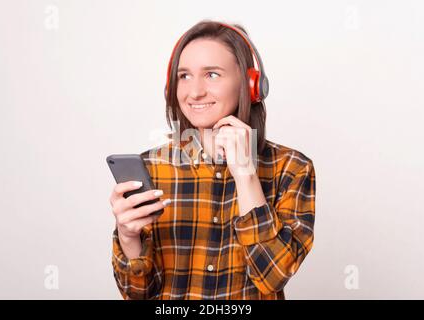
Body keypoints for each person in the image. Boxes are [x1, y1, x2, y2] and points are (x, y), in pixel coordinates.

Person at [109, 20, 316, 300]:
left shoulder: (292, 168)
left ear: (250, 84)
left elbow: (273, 276)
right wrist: (129, 238)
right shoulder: (152, 167)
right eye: (184, 76)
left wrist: (245, 175)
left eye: (212, 75)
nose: (194, 92)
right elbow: (138, 293)